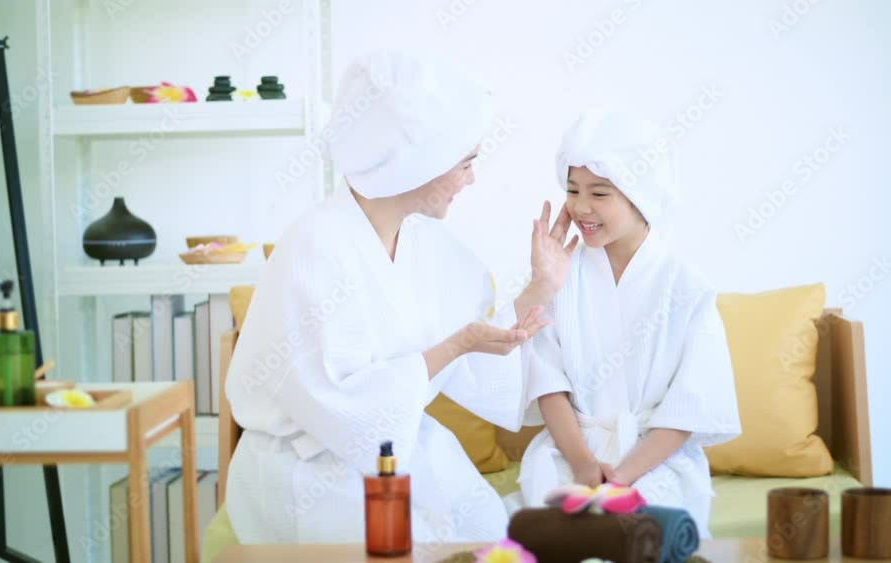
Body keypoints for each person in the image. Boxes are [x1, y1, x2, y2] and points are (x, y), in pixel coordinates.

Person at [203, 50, 577, 559]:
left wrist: (542, 286)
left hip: (399, 452)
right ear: (417, 162)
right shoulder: (315, 248)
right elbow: (344, 410)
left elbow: (477, 344)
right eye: (465, 164)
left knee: (493, 538)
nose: (471, 179)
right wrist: (457, 345)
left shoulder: (428, 244)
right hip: (313, 472)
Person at [517, 111, 742, 538]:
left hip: (656, 462)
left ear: (643, 195)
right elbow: (547, 383)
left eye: (599, 193)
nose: (581, 207)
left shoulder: (686, 286)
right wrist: (584, 465)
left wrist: (621, 479)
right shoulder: (560, 276)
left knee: (645, 537)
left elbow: (689, 404)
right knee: (555, 538)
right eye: (572, 190)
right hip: (569, 456)